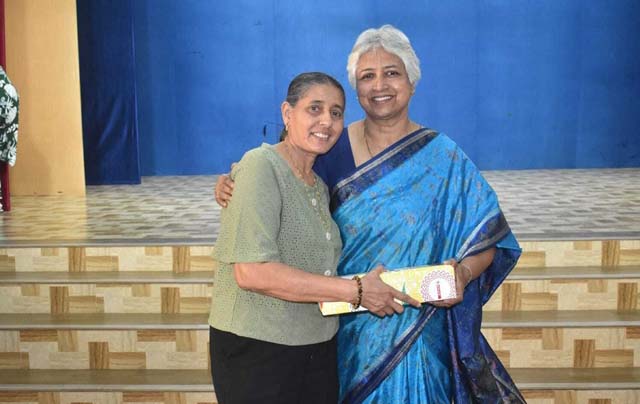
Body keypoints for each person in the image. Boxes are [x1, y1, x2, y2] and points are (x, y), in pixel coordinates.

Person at [215, 26, 525, 403]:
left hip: (420, 335)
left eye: (392, 72)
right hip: (347, 332)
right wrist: (234, 178)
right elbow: (280, 169)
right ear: (357, 88)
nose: (380, 85)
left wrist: (463, 272)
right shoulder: (329, 149)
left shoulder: (444, 157)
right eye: (367, 76)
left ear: (412, 81)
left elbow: (488, 236)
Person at [208, 71, 420, 404]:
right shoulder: (261, 166)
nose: (326, 121)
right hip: (257, 350)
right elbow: (251, 272)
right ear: (287, 113)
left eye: (336, 113)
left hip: (316, 349)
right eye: (314, 108)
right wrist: (356, 291)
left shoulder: (319, 186)